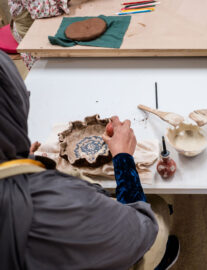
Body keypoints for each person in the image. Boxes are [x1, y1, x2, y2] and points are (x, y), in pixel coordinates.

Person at [0, 50, 179, 270]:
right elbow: (141, 228)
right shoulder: (59, 203)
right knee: (156, 208)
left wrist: (14, 159)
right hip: (123, 238)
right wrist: (123, 159)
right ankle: (156, 262)